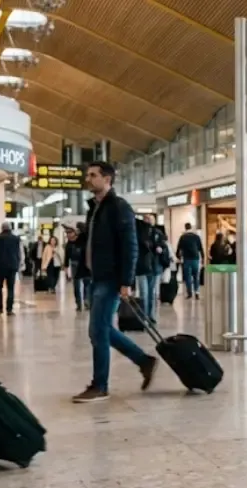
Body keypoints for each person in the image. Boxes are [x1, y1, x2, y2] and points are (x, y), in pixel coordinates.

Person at [73, 161, 159, 404]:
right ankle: (144, 361)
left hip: (110, 278)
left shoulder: (119, 207)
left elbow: (130, 246)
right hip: (96, 276)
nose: (88, 179)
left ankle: (100, 385)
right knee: (101, 329)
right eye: (88, 175)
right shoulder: (95, 208)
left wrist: (126, 281)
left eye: (93, 175)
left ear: (107, 179)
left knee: (98, 331)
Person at [0, 221, 23, 316]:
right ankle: (9, 310)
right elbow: (21, 253)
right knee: (11, 288)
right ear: (10, 228)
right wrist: (20, 264)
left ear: (2, 228)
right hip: (12, 266)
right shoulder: (17, 239)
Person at [135, 214, 165, 322]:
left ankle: (150, 315)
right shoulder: (139, 234)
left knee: (151, 293)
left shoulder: (157, 233)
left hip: (153, 266)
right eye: (145, 219)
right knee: (144, 293)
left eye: (149, 219)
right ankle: (144, 316)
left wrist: (160, 248)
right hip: (143, 266)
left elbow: (163, 245)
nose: (147, 221)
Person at [64, 225, 90, 311]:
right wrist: (66, 268)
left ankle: (86, 301)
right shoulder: (68, 244)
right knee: (76, 285)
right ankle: (78, 303)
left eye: (70, 232)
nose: (69, 235)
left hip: (84, 263)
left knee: (87, 283)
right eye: (67, 233)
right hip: (74, 264)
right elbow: (66, 257)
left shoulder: (82, 241)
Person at [176, 223, 204, 299]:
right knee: (196, 276)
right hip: (195, 258)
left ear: (185, 228)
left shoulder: (183, 237)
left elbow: (178, 248)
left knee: (188, 277)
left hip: (187, 259)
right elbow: (201, 248)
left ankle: (189, 293)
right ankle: (197, 292)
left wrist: (178, 257)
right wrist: (203, 259)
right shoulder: (196, 237)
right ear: (191, 227)